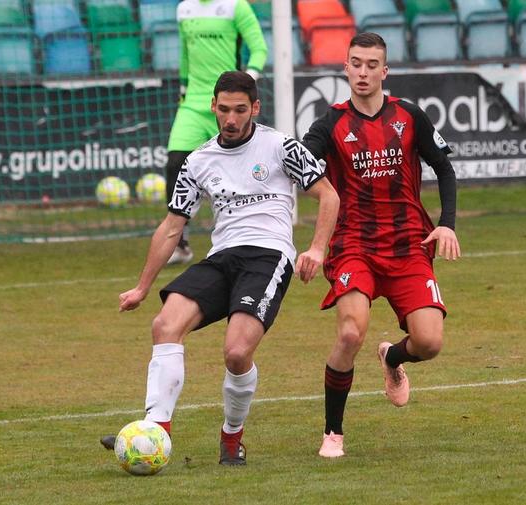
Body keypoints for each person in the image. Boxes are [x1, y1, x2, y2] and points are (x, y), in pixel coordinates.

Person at [101, 71, 339, 465]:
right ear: (213, 106)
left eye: (240, 110)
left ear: (255, 109)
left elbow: (328, 196)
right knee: (164, 325)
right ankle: (154, 431)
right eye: (224, 109)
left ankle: (232, 437)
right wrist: (143, 287)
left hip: (268, 256)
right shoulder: (198, 161)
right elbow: (172, 226)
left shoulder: (280, 146)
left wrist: (316, 248)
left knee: (235, 353)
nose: (230, 119)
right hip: (222, 257)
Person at [301, 32, 461, 458]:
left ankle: (393, 359)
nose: (364, 71)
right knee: (351, 331)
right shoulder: (329, 125)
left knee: (429, 343)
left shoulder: (409, 116)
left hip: (408, 244)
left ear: (384, 71)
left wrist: (446, 224)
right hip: (354, 245)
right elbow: (301, 169)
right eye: (357, 63)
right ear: (346, 68)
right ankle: (333, 432)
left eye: (373, 64)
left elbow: (445, 168)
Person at [165, 0, 268, 265]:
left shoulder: (237, 7)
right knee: (176, 162)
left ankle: (249, 233)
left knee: (239, 165)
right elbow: (185, 56)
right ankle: (179, 243)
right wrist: (183, 86)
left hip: (228, 103)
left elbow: (259, 48)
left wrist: (248, 82)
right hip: (194, 102)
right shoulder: (184, 9)